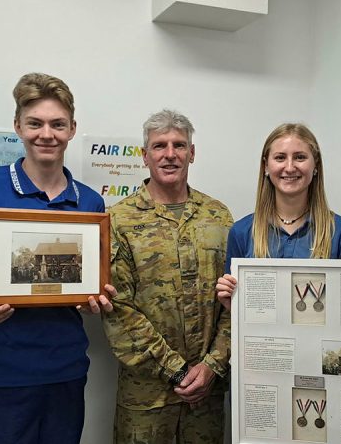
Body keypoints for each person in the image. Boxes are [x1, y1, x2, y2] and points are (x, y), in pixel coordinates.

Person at [0, 72, 112, 444]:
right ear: (18, 126)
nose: (46, 134)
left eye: (57, 124)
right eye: (35, 123)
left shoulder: (90, 203)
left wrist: (94, 301)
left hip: (65, 369)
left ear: (71, 129)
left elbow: (87, 290)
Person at [102, 109, 233, 444]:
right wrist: (175, 368)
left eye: (179, 145)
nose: (170, 154)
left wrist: (212, 366)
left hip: (207, 395)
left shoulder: (218, 216)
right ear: (145, 156)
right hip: (146, 397)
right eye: (160, 146)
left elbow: (236, 301)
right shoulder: (118, 220)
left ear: (192, 152)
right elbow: (118, 308)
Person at [216, 123, 341, 310]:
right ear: (266, 166)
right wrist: (232, 303)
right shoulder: (242, 232)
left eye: (300, 157)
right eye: (280, 157)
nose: (290, 167)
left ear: (315, 165)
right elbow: (243, 312)